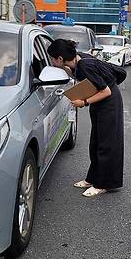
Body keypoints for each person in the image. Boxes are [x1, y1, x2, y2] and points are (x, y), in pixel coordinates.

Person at [47, 39, 124, 198]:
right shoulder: (78, 59)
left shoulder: (84, 66)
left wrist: (83, 102)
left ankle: (102, 184)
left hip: (108, 103)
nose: (52, 63)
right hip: (99, 102)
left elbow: (106, 91)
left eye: (53, 60)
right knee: (95, 143)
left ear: (60, 58)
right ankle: (92, 178)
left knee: (106, 145)